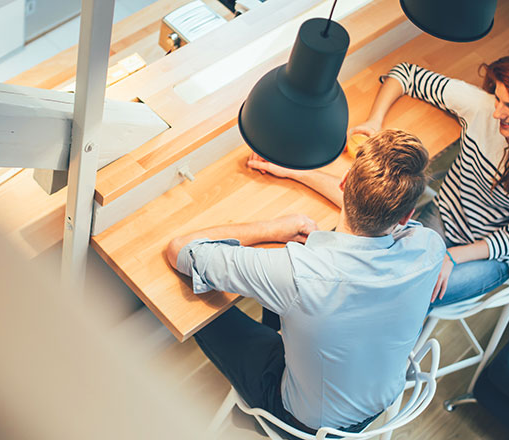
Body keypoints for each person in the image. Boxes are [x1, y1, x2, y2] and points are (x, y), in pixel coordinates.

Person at [249, 45, 509, 307]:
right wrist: (374, 121)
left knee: (404, 291)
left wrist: (450, 257)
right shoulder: (483, 108)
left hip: (488, 255)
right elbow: (406, 74)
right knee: (370, 225)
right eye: (498, 98)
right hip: (441, 219)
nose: (498, 112)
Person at [165, 129, 444, 434]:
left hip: (304, 427)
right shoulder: (429, 247)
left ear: (344, 182)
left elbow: (181, 251)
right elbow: (374, 210)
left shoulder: (299, 274)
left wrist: (272, 229)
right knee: (286, 299)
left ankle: (256, 417)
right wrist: (293, 171)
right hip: (377, 401)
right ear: (407, 216)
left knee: (201, 309)